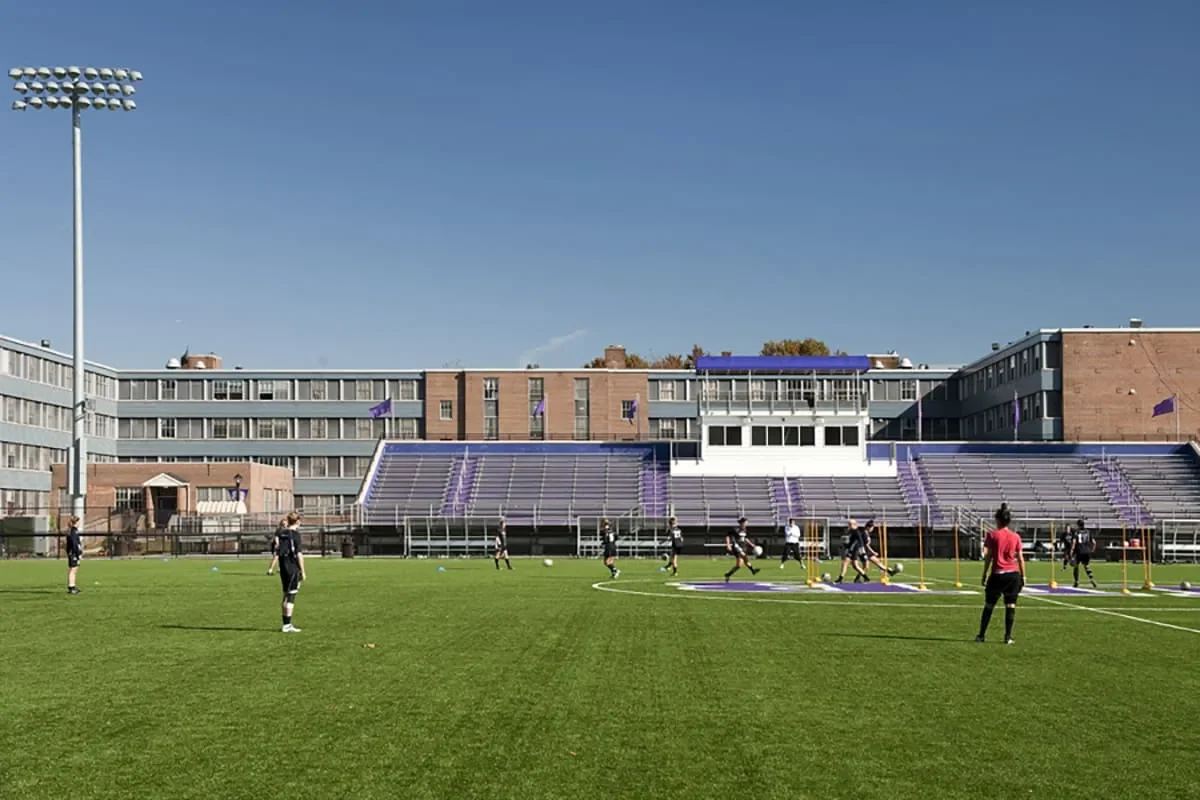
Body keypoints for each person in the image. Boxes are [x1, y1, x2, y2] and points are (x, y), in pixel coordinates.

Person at [976, 503, 1025, 645]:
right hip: (1013, 574)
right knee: (1010, 605)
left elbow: (988, 557)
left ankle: (981, 635)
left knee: (989, 605)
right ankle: (1008, 637)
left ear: (998, 520)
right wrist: (1023, 576)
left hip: (998, 574)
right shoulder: (1015, 536)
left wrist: (984, 573)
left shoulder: (992, 535)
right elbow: (1020, 558)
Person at [267, 512, 306, 633]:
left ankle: (286, 624)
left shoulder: (282, 533)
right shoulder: (295, 535)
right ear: (298, 521)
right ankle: (287, 625)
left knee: (286, 595)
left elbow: (279, 551)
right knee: (290, 597)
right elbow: (298, 554)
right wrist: (303, 571)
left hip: (283, 567)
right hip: (292, 567)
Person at [723, 517, 761, 582]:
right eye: (745, 522)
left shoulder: (745, 530)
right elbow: (728, 536)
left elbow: (745, 538)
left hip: (743, 547)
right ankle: (753, 570)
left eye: (747, 523)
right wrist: (728, 545)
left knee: (739, 565)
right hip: (736, 546)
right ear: (741, 523)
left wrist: (752, 544)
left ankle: (728, 575)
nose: (746, 524)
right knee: (744, 556)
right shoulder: (735, 529)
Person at [1068, 519, 1098, 589]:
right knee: (1086, 566)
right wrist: (1092, 549)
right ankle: (1092, 579)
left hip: (1079, 551)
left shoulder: (1076, 532)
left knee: (1076, 566)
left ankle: (1076, 582)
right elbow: (1094, 542)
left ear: (1078, 525)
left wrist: (1071, 551)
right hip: (1087, 551)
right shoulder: (1088, 531)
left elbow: (1074, 542)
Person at [65, 515, 83, 594]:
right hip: (73, 553)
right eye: (78, 522)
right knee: (73, 570)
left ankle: (73, 586)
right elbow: (74, 544)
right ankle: (71, 587)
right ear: (76, 522)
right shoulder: (73, 531)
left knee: (74, 570)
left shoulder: (74, 531)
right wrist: (78, 553)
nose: (79, 523)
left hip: (73, 552)